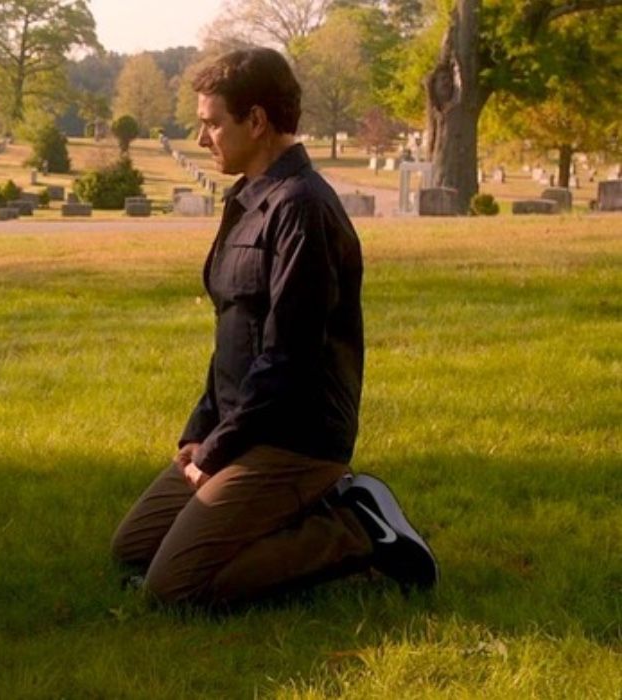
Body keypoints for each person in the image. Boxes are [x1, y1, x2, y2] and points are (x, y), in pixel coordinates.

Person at [110, 47, 437, 606]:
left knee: (173, 589)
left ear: (257, 121)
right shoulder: (248, 199)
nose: (202, 136)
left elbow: (289, 358)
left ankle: (356, 530)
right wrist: (198, 433)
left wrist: (215, 456)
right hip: (243, 428)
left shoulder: (303, 209)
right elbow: (234, 336)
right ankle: (296, 508)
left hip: (296, 439)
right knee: (133, 548)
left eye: (213, 122)